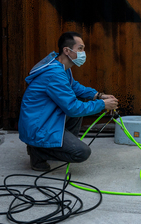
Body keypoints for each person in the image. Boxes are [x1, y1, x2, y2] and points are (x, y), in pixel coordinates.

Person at [18, 31, 119, 171]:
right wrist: (102, 105)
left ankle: (53, 145)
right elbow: (73, 108)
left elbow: (75, 87)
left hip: (44, 119)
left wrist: (98, 95)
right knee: (81, 153)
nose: (84, 53)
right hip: (38, 127)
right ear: (67, 50)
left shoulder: (60, 67)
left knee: (80, 98)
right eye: (80, 48)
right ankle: (37, 151)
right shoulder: (54, 74)